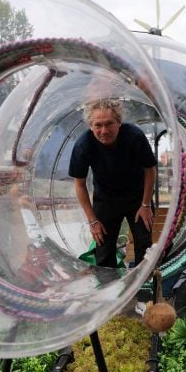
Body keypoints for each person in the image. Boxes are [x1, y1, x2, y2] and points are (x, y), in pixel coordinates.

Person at [69, 98, 157, 271]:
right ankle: (108, 291)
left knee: (144, 244)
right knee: (103, 247)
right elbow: (79, 184)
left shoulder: (134, 136)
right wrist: (92, 220)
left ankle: (144, 289)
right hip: (106, 199)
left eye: (109, 123)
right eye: (98, 125)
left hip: (137, 197)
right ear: (91, 126)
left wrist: (146, 204)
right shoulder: (83, 145)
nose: (104, 130)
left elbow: (150, 169)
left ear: (119, 122)